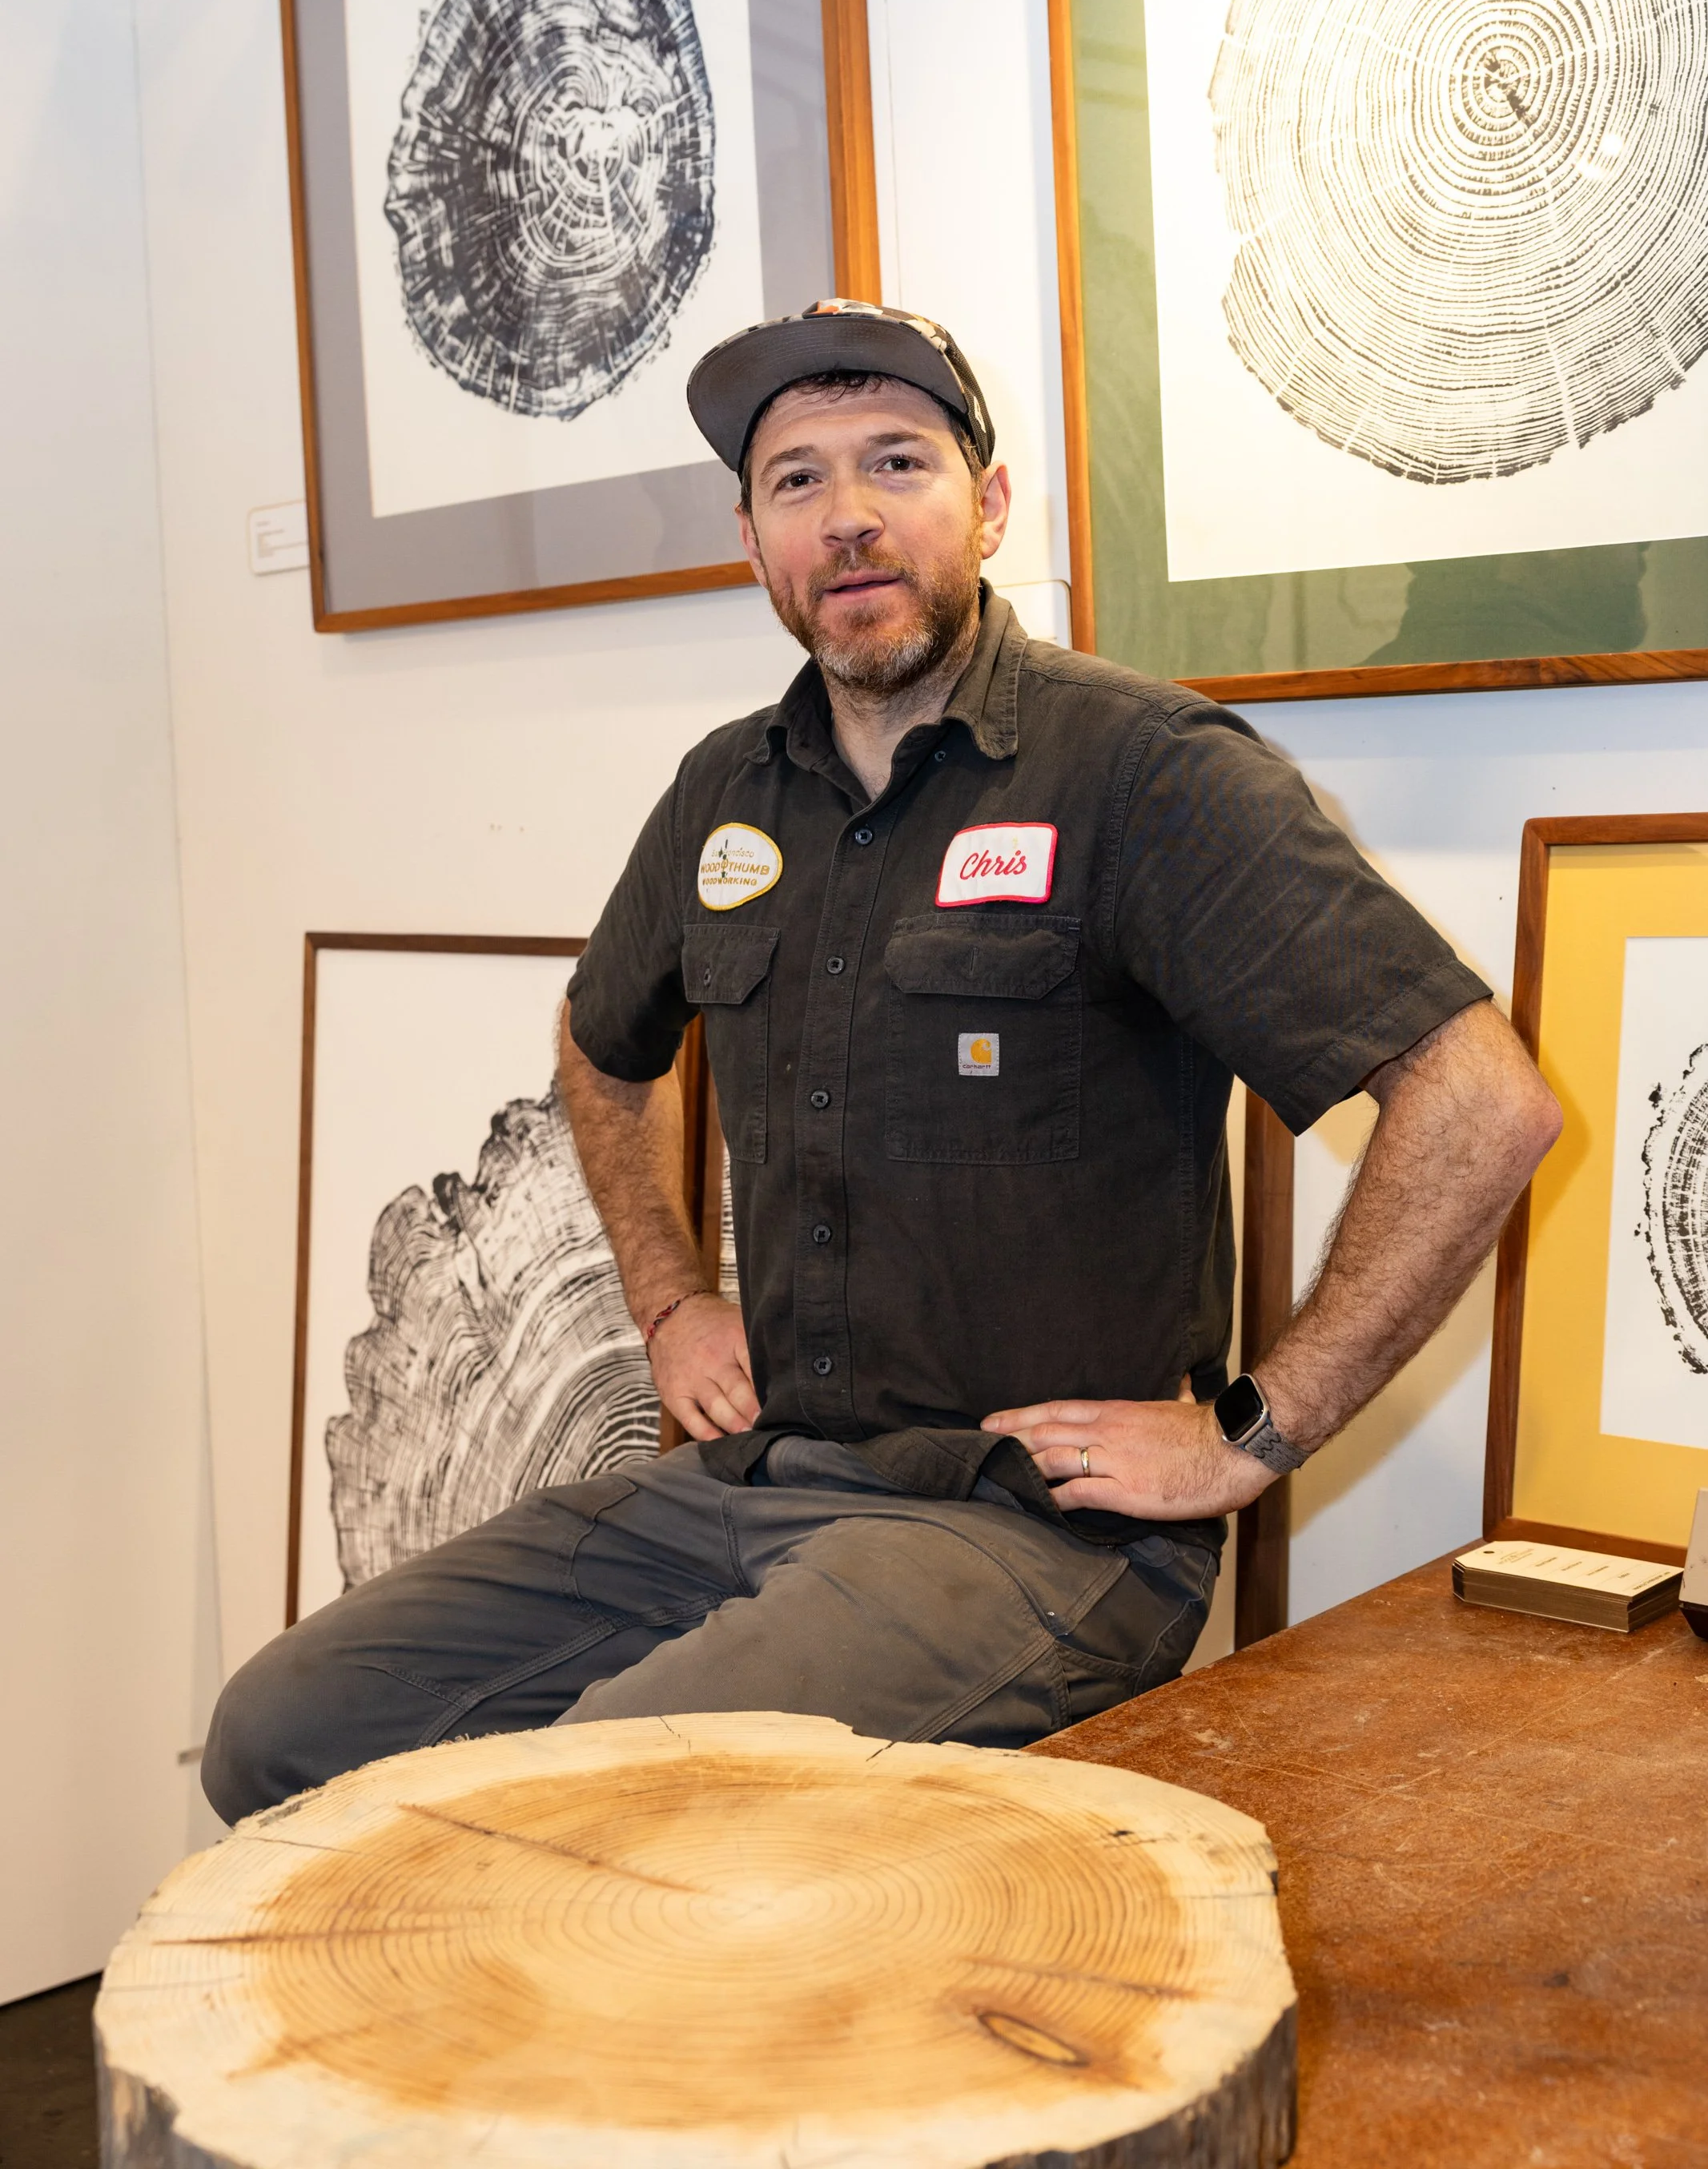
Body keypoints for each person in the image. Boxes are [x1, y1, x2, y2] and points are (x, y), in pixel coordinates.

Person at [203, 301, 1560, 1822]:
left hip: (1033, 1531)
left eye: (895, 463)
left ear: (985, 504)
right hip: (752, 1485)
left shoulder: (1145, 775)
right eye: (796, 482)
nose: (847, 518)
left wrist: (1253, 1431)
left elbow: (1480, 1100)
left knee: (585, 1813)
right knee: (281, 1735)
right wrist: (668, 1299)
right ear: (753, 538)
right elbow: (605, 1052)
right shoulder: (726, 791)